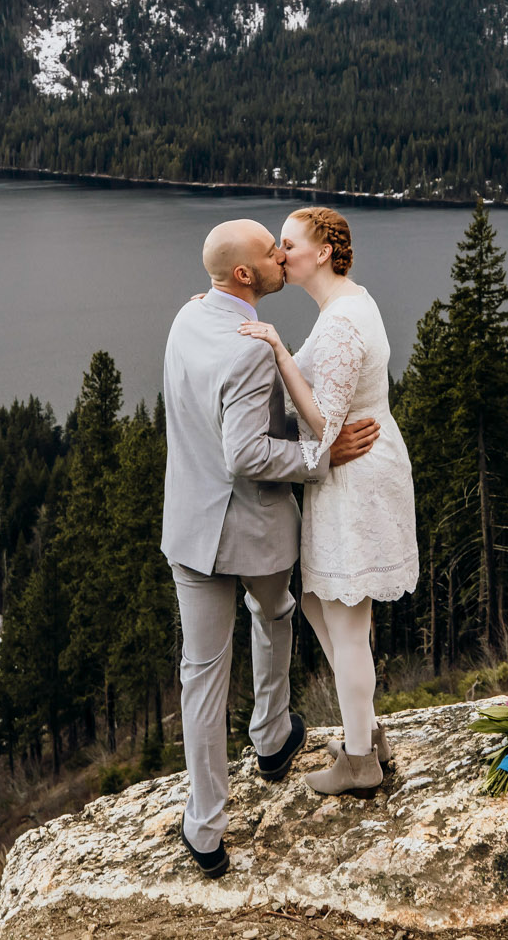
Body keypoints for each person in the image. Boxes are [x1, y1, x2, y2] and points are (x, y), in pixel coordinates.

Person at [160, 218, 379, 880]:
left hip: (191, 531)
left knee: (201, 674)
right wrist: (319, 455)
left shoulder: (187, 317)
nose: (282, 254)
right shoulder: (252, 348)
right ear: (246, 276)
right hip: (253, 531)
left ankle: (204, 826)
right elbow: (246, 453)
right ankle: (271, 734)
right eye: (269, 250)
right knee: (276, 610)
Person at [237, 207, 419, 797]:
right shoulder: (347, 302)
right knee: (320, 602)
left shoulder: (341, 322)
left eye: (287, 244)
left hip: (357, 479)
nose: (279, 255)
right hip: (357, 470)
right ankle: (367, 730)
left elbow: (324, 424)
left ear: (320, 252)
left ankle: (361, 761)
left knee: (345, 621)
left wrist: (277, 351)